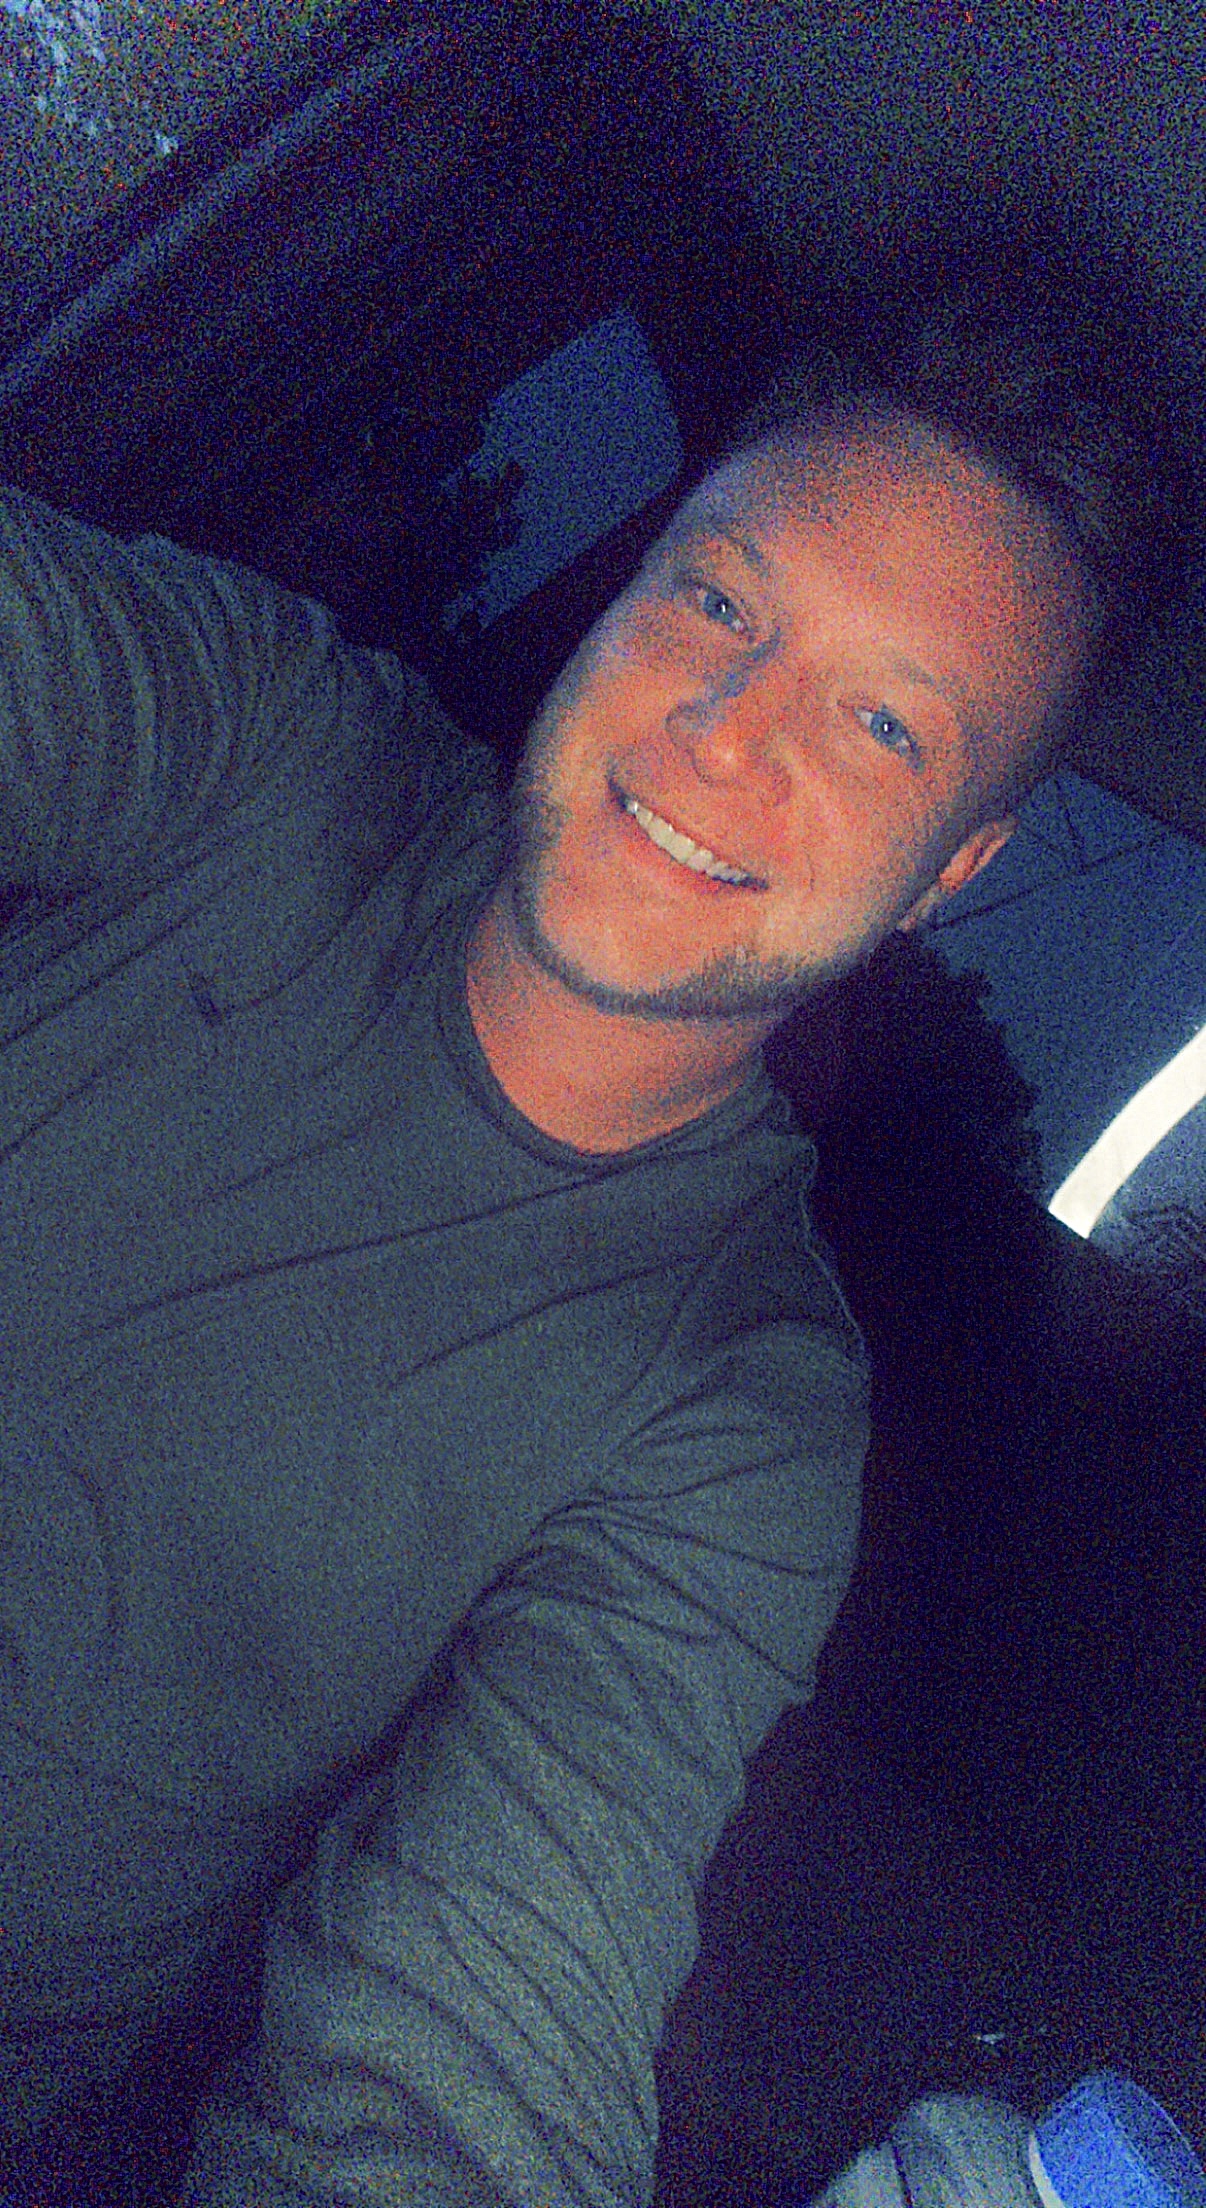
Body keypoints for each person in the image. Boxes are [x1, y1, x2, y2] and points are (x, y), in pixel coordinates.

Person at [0, 289, 1185, 2208]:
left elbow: (464, 2060)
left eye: (883, 724)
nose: (726, 734)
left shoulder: (737, 1412)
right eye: (716, 602)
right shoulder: (272, 750)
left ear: (953, 866)